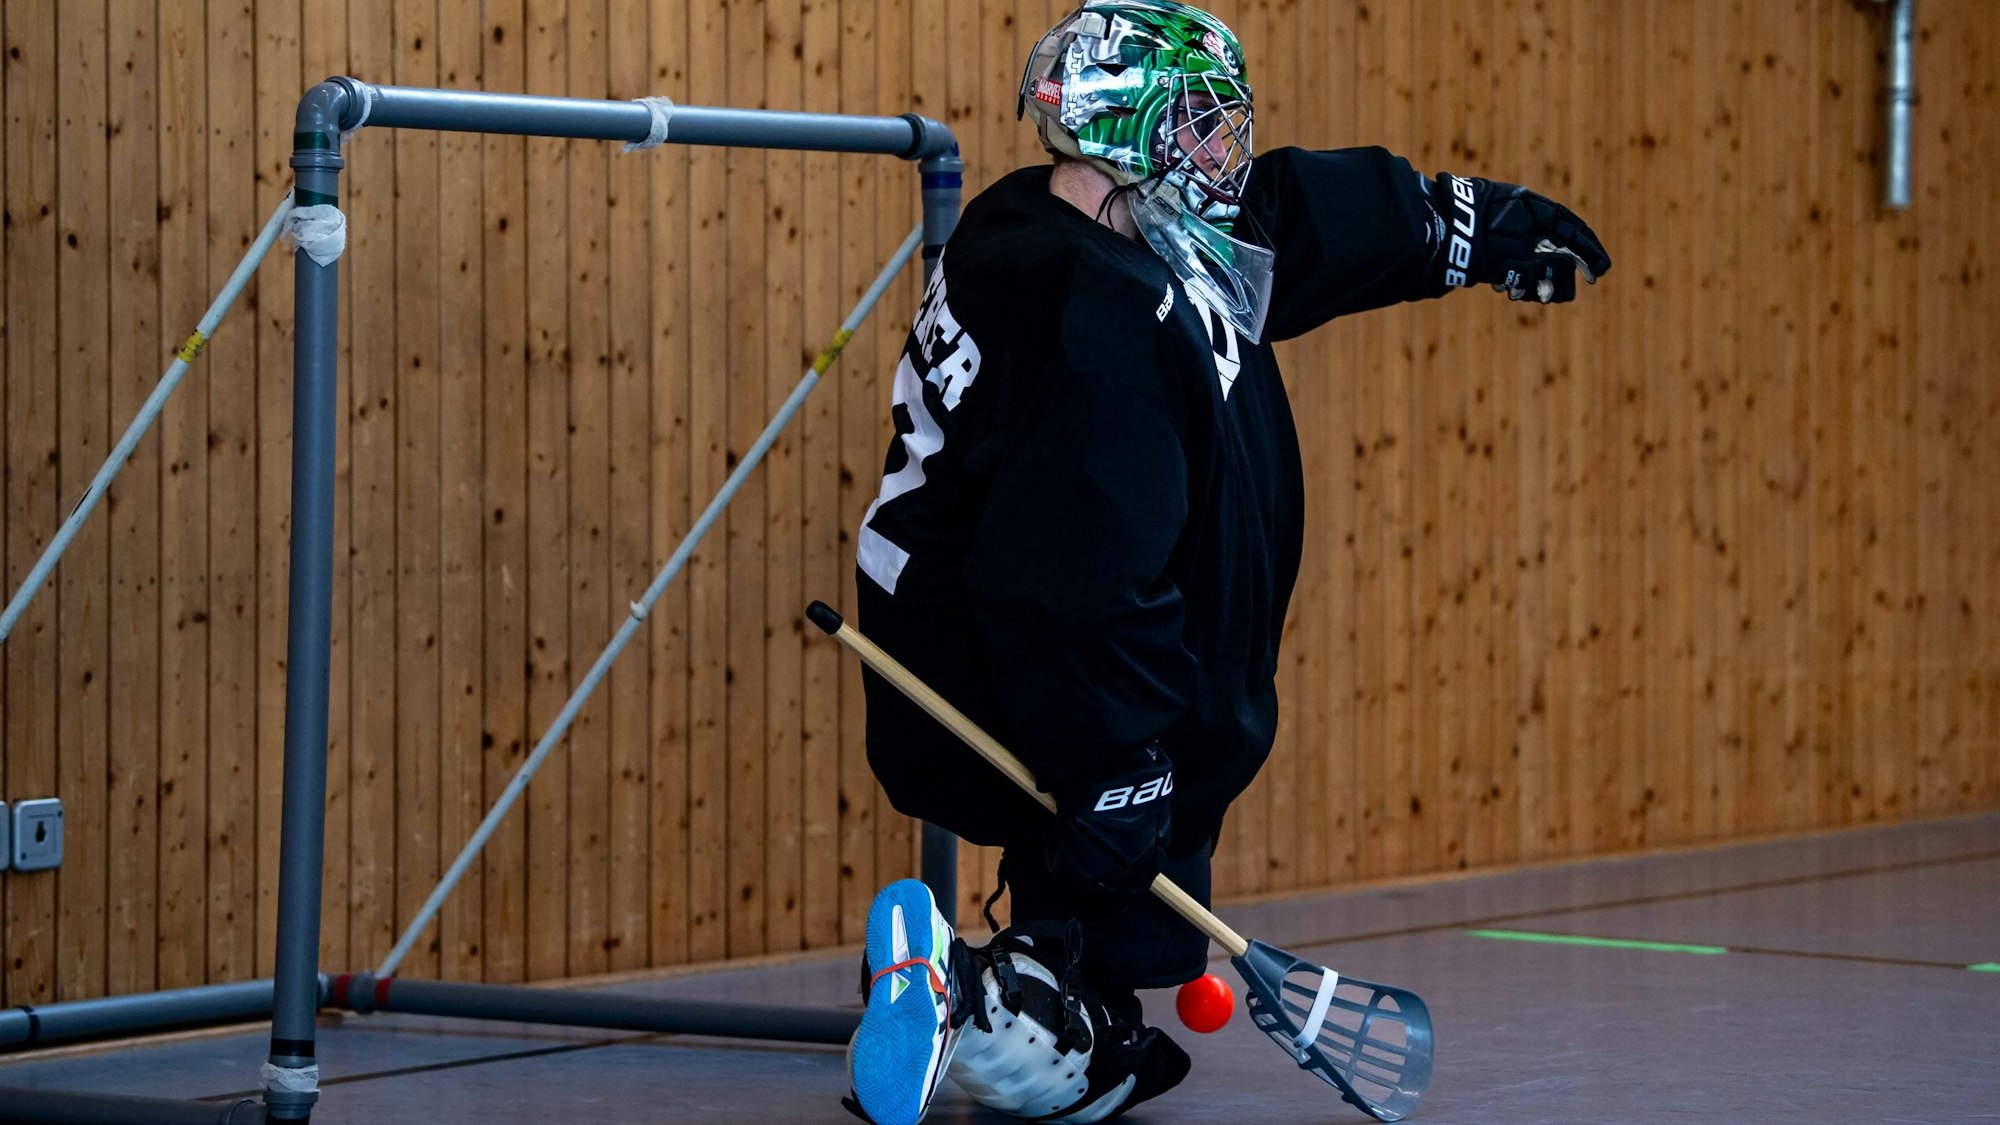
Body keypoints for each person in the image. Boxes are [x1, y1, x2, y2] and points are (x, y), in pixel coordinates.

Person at [842, 4, 1612, 1123]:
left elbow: (1284, 222)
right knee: (1085, 1044)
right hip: (1031, 696)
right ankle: (964, 987)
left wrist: (1472, 228)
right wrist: (1119, 761)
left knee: (1112, 941)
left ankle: (1010, 979)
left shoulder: (1069, 224)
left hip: (1039, 672)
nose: (1225, 151)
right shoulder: (1103, 320)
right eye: (1199, 125)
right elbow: (1073, 575)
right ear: (1125, 134)